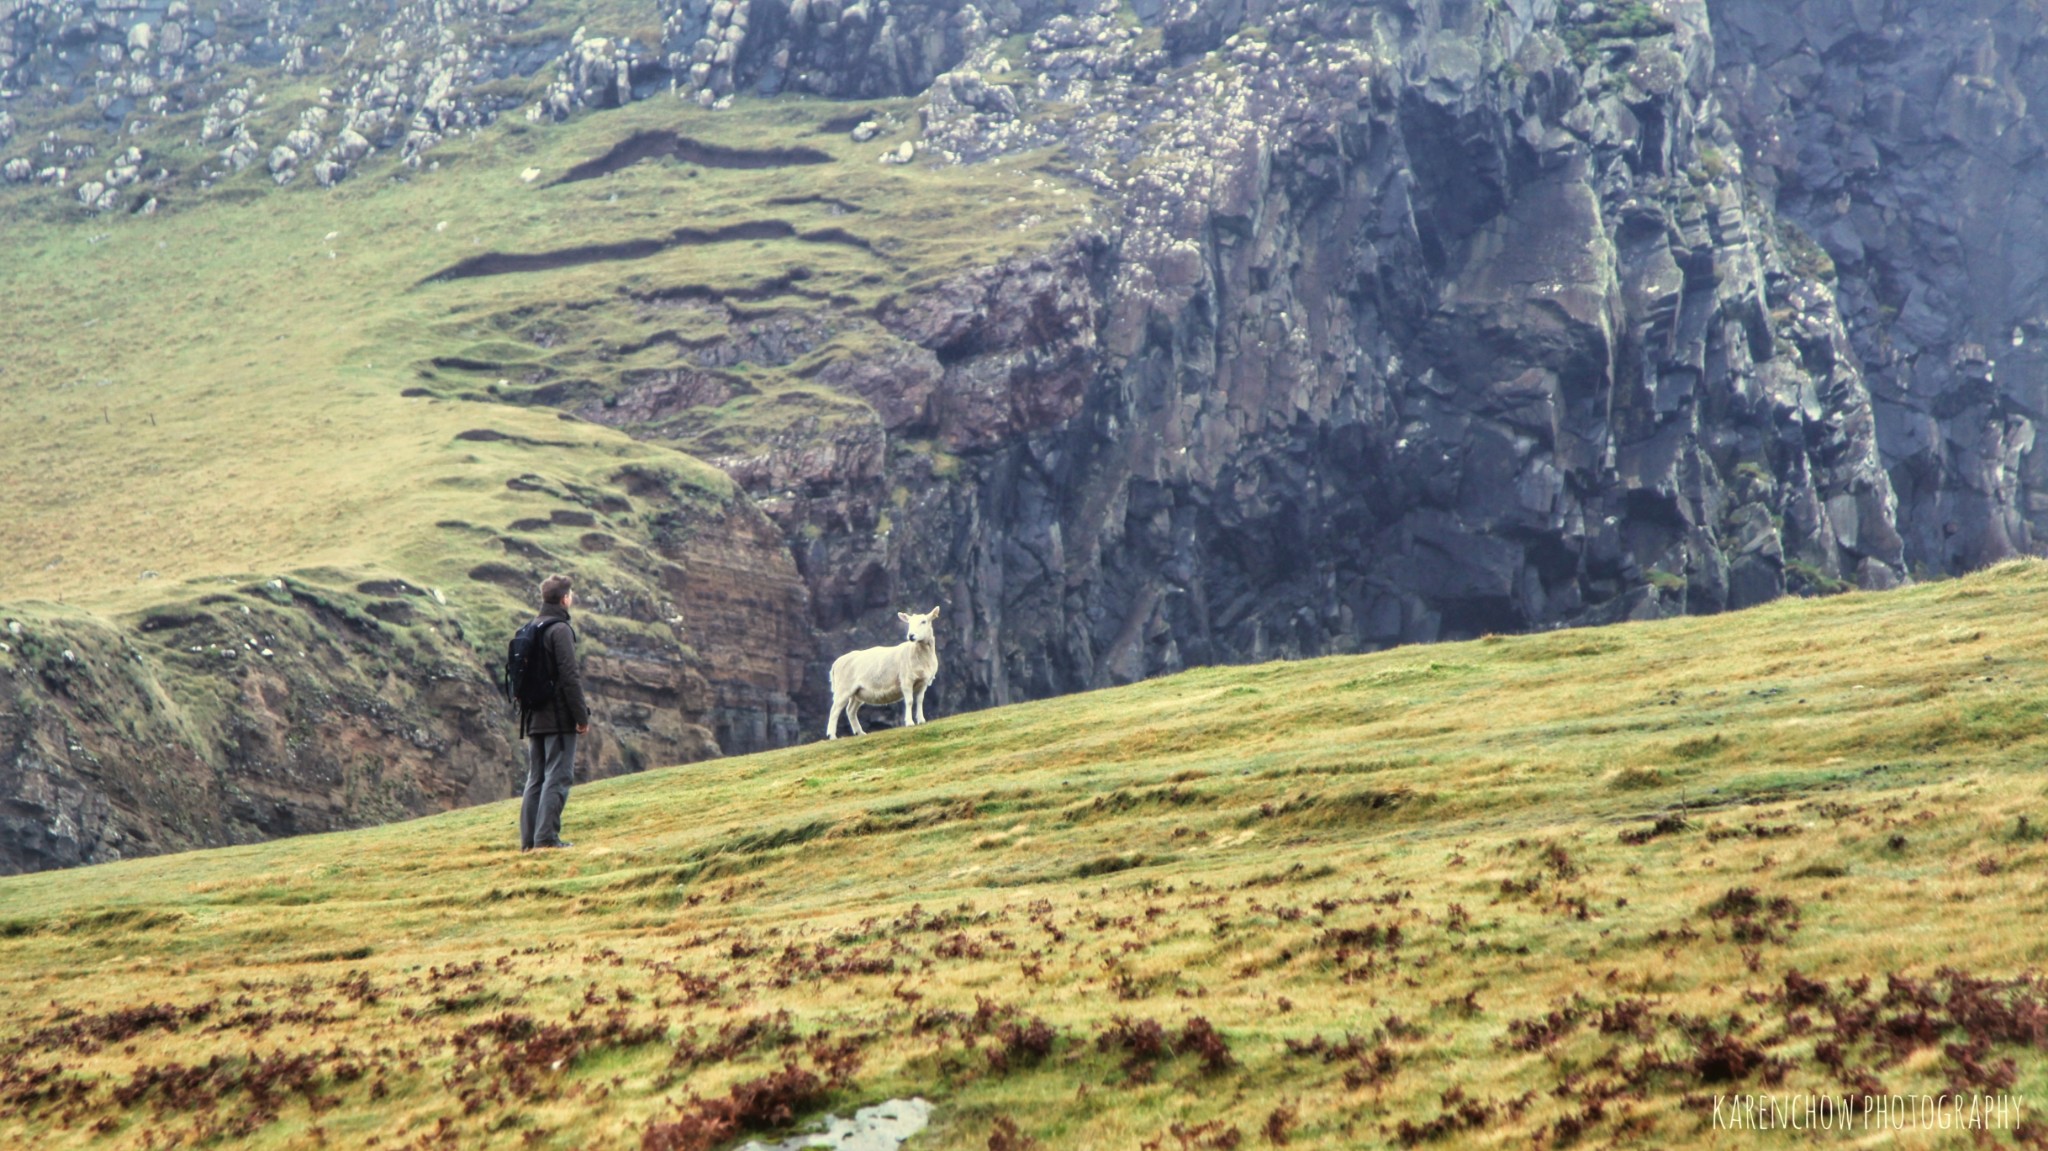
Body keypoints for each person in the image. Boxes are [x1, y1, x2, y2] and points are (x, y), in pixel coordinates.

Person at [519, 574, 590, 850]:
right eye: (570, 594)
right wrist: (581, 716)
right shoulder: (560, 630)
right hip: (558, 718)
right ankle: (546, 839)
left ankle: (529, 843)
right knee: (558, 776)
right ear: (564, 599)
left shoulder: (531, 627)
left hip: (534, 716)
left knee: (535, 778)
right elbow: (570, 676)